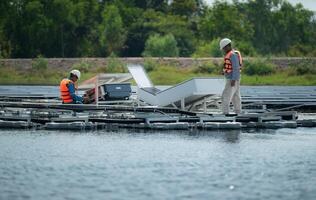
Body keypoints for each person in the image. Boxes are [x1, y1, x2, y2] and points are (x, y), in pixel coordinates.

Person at [219, 38, 242, 115]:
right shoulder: (231, 54)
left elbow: (236, 68)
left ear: (227, 46)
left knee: (225, 96)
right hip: (234, 78)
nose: (223, 50)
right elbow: (231, 67)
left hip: (232, 79)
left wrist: (233, 79)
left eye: (224, 48)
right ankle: (238, 112)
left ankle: (225, 113)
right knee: (235, 96)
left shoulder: (232, 55)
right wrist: (224, 71)